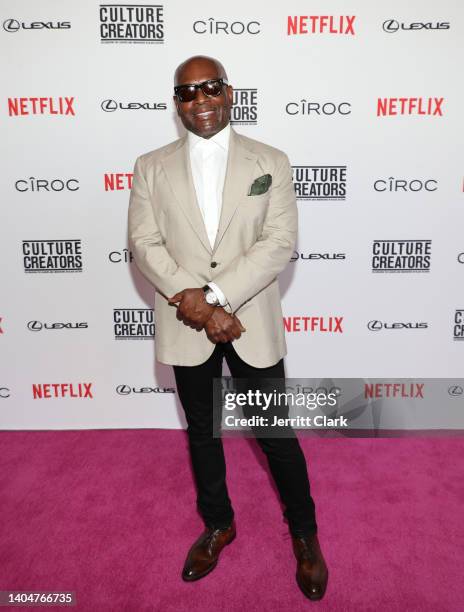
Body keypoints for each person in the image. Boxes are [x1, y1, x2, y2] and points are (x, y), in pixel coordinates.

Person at [128, 55, 328, 601]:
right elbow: (145, 244)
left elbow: (279, 243)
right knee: (202, 432)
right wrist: (196, 306)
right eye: (188, 94)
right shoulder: (150, 165)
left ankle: (305, 535)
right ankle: (219, 523)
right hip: (186, 325)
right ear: (177, 104)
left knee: (277, 438)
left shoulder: (272, 160)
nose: (202, 102)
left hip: (249, 319)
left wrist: (215, 298)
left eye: (211, 88)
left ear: (229, 91)